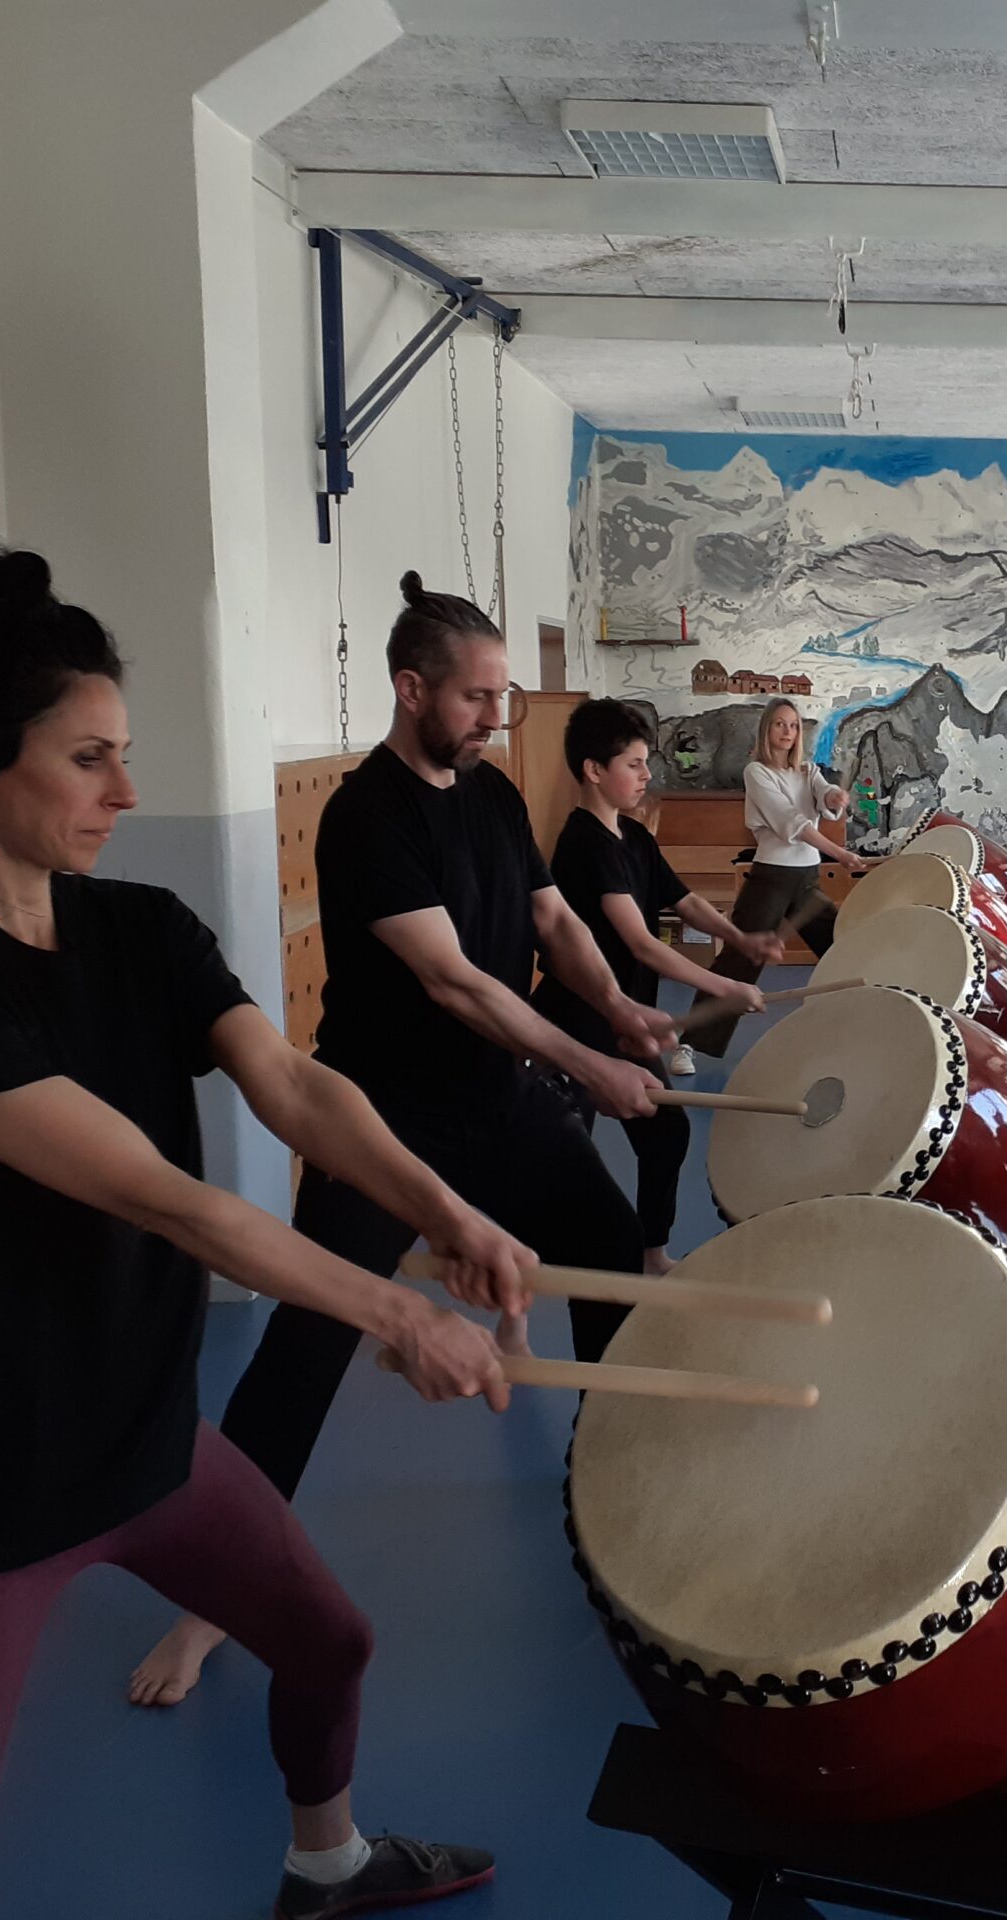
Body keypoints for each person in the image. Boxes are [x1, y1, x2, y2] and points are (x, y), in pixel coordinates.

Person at [0, 552, 515, 1920]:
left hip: (145, 1437)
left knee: (328, 1642)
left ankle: (326, 1865)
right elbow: (167, 1199)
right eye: (89, 760)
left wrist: (443, 1212)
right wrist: (396, 1311)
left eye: (126, 755)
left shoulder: (141, 928)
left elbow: (296, 1088)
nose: (127, 793)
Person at [134, 574, 670, 1704]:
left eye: (502, 698)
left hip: (498, 1100)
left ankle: (618, 1489)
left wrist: (621, 1010)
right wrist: (590, 1064)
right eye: (476, 698)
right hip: (384, 1117)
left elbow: (553, 921)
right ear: (411, 689)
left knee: (610, 1244)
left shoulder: (490, 795)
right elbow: (455, 983)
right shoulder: (364, 815)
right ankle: (210, 1603)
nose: (494, 719)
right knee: (307, 1343)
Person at [537, 698, 783, 1273]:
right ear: (593, 770)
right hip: (576, 1019)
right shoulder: (583, 842)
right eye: (634, 764)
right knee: (568, 1151)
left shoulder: (633, 837)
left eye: (646, 762)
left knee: (665, 1133)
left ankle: (650, 1254)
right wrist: (723, 986)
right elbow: (641, 944)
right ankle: (555, 1268)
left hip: (626, 1020)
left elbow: (684, 901)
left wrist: (738, 937)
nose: (647, 774)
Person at [685, 696, 865, 1060]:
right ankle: (689, 1043)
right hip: (771, 879)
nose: (787, 731)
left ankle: (863, 1025)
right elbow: (792, 823)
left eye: (794, 725)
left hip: (807, 880)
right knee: (739, 959)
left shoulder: (807, 771)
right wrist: (841, 854)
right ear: (767, 729)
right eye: (780, 724)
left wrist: (834, 796)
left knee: (841, 945)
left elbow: (823, 795)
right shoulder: (757, 773)